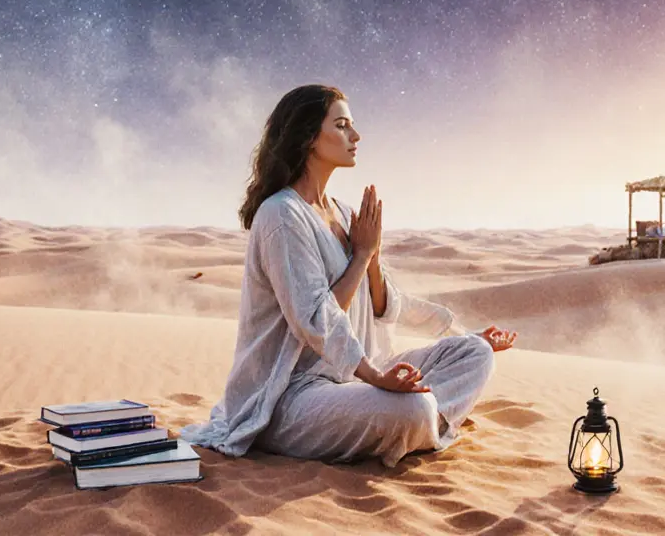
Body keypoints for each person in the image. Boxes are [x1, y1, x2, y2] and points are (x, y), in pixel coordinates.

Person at [181, 84, 517, 467]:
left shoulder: (341, 212)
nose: (355, 136)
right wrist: (360, 257)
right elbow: (314, 319)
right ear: (308, 137)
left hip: (354, 380)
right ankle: (419, 422)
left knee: (476, 354)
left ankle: (415, 421)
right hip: (292, 395)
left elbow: (384, 304)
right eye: (342, 126)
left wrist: (373, 262)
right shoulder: (281, 216)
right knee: (413, 409)